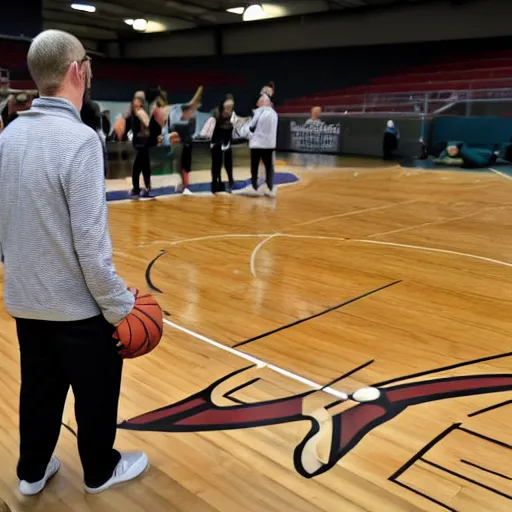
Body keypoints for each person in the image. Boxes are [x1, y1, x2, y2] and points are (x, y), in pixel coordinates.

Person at [0, 29, 147, 496]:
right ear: (74, 71)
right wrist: (120, 305)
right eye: (87, 63)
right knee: (97, 389)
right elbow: (91, 247)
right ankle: (100, 470)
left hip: (25, 299)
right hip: (75, 306)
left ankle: (31, 472)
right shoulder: (81, 140)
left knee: (39, 389)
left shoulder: (9, 134)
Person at [247, 92, 278, 197]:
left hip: (257, 145)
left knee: (254, 167)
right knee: (269, 167)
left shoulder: (259, 112)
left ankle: (254, 187)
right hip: (269, 145)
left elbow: (251, 127)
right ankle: (270, 188)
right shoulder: (274, 113)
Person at [209, 95, 236, 193]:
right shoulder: (216, 113)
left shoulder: (233, 115)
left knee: (228, 162)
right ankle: (215, 183)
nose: (229, 108)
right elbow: (211, 129)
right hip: (216, 140)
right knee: (216, 163)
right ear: (223, 105)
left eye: (231, 106)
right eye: (227, 106)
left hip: (227, 141)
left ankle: (231, 181)